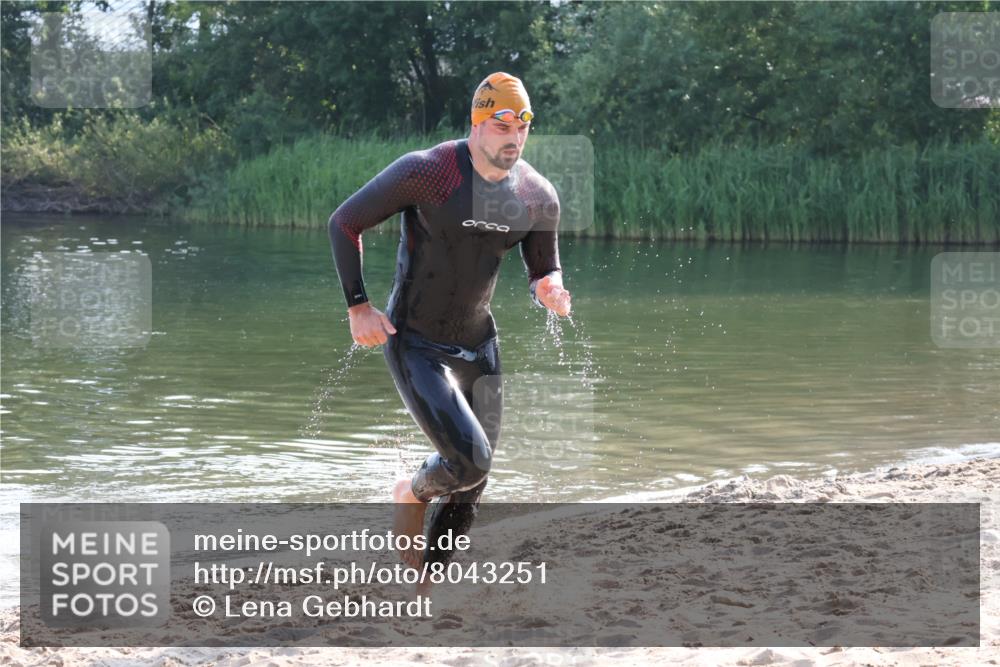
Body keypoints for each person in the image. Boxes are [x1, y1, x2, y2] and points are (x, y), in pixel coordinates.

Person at [327, 71, 571, 590]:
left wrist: (549, 288)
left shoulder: (536, 195)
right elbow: (343, 222)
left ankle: (427, 585)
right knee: (470, 459)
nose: (514, 136)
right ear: (478, 123)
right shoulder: (431, 172)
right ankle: (411, 492)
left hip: (480, 345)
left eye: (523, 125)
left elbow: (542, 269)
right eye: (502, 123)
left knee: (473, 479)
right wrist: (359, 308)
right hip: (415, 341)